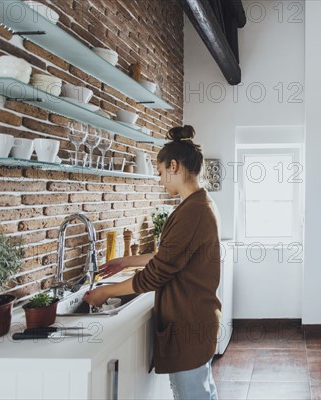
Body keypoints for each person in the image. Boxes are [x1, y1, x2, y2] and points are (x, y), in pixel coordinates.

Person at [83, 125, 221, 400]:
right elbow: (171, 255)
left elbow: (154, 276)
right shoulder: (197, 203)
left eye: (160, 173)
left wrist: (104, 292)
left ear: (174, 166)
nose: (160, 181)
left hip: (188, 325)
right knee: (203, 393)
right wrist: (126, 261)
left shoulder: (193, 211)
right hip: (197, 320)